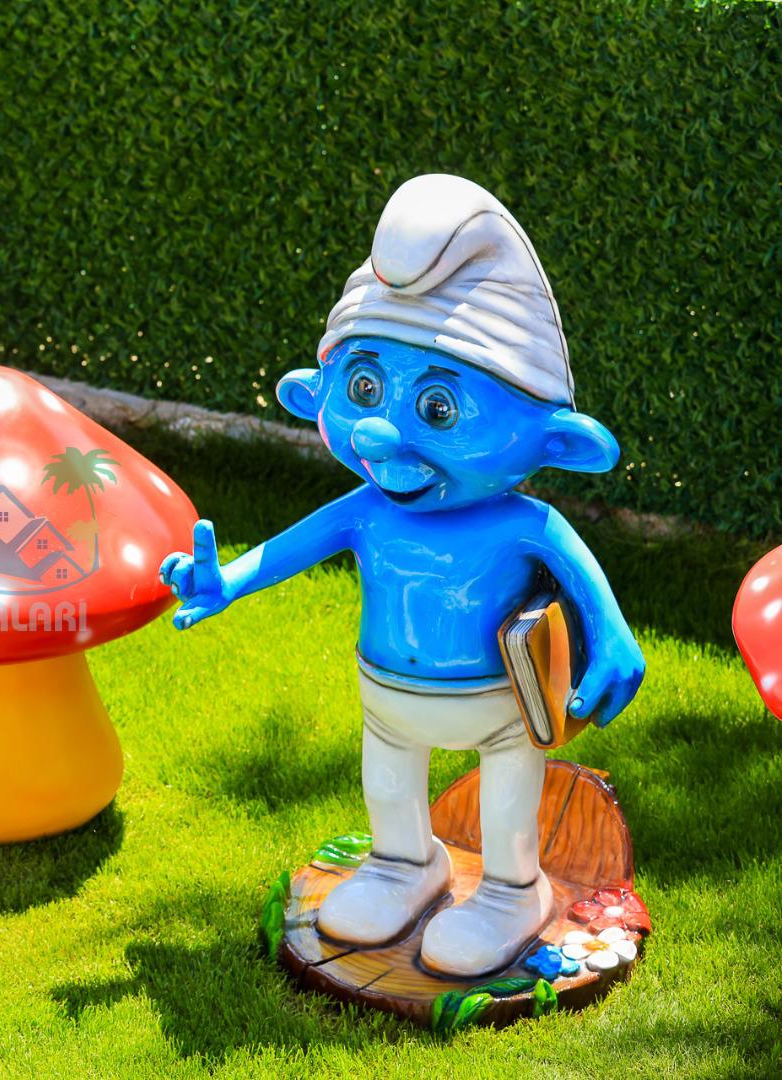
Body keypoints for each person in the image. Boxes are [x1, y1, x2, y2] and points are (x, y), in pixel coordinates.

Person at [160, 174, 644, 977]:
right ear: (317, 394)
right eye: (363, 389)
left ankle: (511, 889)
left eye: (440, 408)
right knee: (387, 780)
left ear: (555, 442)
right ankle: (402, 864)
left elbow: (595, 598)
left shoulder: (525, 524)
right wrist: (228, 582)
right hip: (387, 697)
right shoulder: (364, 510)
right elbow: (286, 549)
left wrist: (615, 642)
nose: (380, 434)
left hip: (498, 706)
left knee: (507, 795)